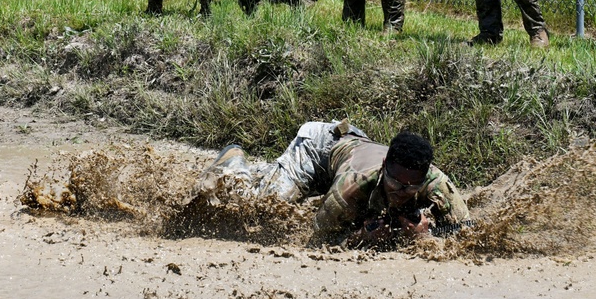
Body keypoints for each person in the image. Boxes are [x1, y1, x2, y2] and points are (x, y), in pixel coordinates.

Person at [200, 121, 470, 247]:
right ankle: (234, 162)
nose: (402, 193)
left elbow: (469, 234)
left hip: (353, 147)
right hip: (318, 150)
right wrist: (358, 238)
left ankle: (270, 170)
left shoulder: (438, 185)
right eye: (395, 184)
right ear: (385, 166)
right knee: (265, 206)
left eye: (411, 188)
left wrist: (428, 236)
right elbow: (317, 240)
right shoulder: (351, 187)